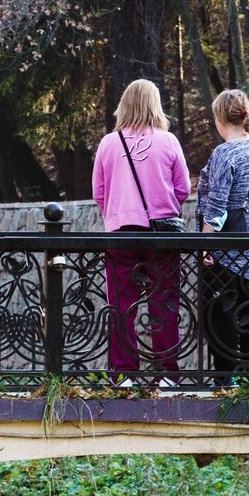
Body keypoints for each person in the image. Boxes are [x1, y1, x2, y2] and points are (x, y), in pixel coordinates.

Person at [92, 79, 191, 386]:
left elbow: (98, 191)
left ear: (124, 104)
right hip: (161, 234)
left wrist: (119, 210)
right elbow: (183, 188)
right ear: (155, 105)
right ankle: (167, 374)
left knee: (122, 305)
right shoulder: (169, 141)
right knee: (164, 303)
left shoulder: (109, 142)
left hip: (121, 233)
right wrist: (163, 203)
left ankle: (123, 374)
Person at [198, 89, 249, 377]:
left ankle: (224, 383)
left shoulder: (224, 152)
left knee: (222, 321)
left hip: (226, 254)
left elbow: (217, 206)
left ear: (219, 119)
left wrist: (204, 244)